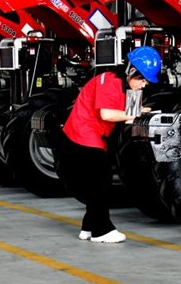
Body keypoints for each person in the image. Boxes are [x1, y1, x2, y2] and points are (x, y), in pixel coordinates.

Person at [59, 46, 161, 243]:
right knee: (100, 181)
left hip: (96, 136)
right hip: (83, 133)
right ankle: (101, 230)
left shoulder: (130, 87)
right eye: (142, 79)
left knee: (97, 183)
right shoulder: (109, 82)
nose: (144, 85)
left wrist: (143, 113)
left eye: (147, 81)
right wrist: (137, 113)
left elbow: (130, 117)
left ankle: (88, 227)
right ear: (131, 71)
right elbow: (107, 114)